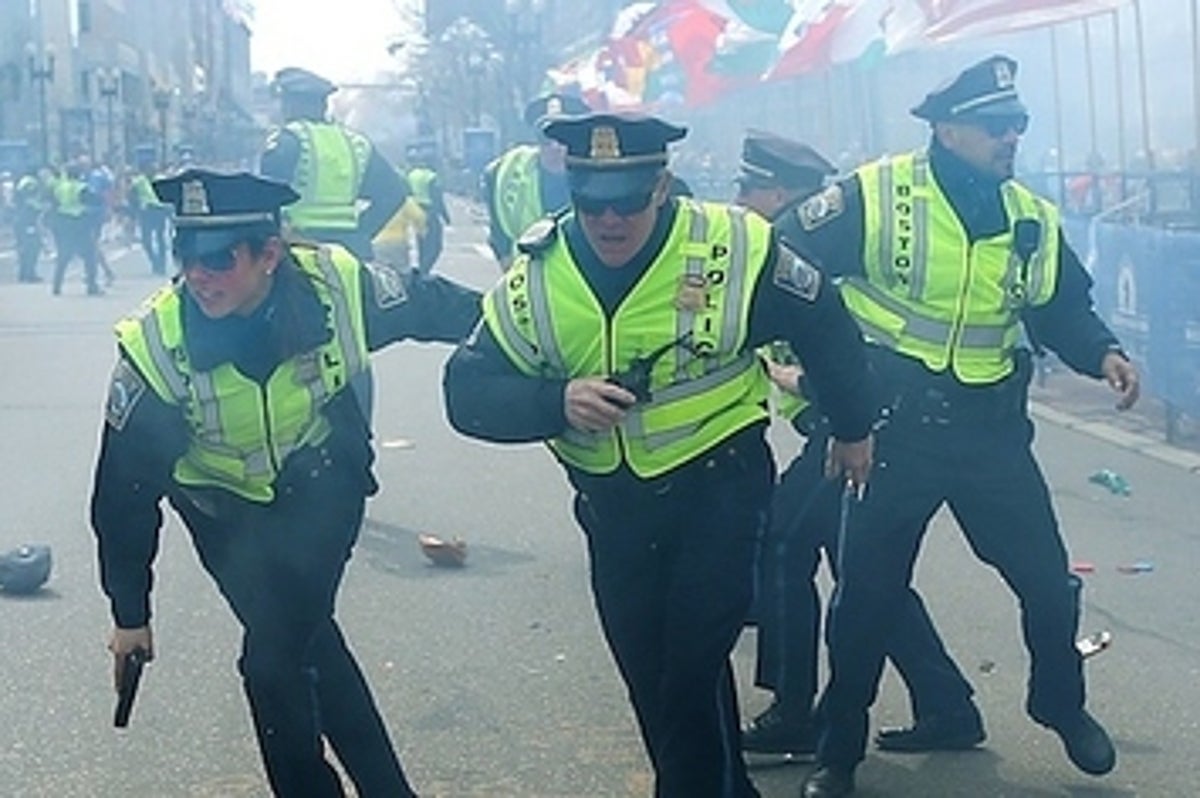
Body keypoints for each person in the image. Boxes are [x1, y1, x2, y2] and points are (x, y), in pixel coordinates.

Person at [443, 112, 877, 798]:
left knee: (690, 665)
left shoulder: (736, 245)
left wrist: (852, 426)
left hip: (720, 487)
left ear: (663, 186)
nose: (609, 220)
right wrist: (555, 401)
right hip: (614, 510)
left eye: (627, 201)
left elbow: (824, 323)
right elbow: (466, 393)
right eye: (591, 203)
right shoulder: (539, 275)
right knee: (654, 677)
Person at [773, 55, 1140, 798]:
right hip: (894, 434)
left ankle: (1060, 705)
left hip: (989, 436)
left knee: (1047, 584)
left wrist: (1104, 352)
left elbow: (1060, 306)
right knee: (866, 599)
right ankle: (837, 752)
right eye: (996, 125)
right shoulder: (877, 194)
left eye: (1017, 124)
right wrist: (824, 378)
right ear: (947, 130)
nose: (1011, 137)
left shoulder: (1029, 217)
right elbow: (785, 265)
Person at [90, 169, 481, 797]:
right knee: (309, 644)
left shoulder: (338, 286)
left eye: (219, 258)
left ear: (270, 254)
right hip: (220, 513)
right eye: (186, 255)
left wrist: (527, 347)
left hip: (319, 486)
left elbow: (438, 306)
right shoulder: (157, 346)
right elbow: (123, 493)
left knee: (272, 661)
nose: (198, 276)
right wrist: (129, 614)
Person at [732, 131, 984, 759]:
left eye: (750, 189)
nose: (741, 201)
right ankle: (947, 704)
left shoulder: (814, 263)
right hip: (845, 432)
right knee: (866, 575)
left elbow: (854, 362)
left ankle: (793, 709)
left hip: (854, 434)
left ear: (781, 193)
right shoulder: (782, 252)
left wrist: (796, 382)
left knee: (784, 544)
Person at [260, 66, 408, 262]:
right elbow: (394, 192)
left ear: (290, 104)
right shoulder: (356, 143)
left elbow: (265, 199)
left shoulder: (287, 140)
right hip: (351, 251)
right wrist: (362, 232)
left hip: (299, 249)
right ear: (323, 105)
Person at [480, 92, 590, 269]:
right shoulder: (507, 173)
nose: (555, 146)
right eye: (546, 137)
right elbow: (499, 234)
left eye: (564, 138)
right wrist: (509, 268)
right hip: (528, 273)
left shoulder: (595, 176)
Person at [48, 161, 103, 296]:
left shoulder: (60, 187)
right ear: (79, 174)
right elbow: (95, 201)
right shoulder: (82, 187)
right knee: (89, 256)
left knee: (63, 256)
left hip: (63, 222)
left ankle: (56, 286)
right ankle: (91, 286)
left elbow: (53, 202)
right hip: (79, 222)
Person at [406, 140, 451, 277]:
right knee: (435, 246)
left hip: (415, 212)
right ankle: (424, 271)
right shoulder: (431, 176)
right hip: (429, 212)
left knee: (422, 245)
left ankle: (422, 271)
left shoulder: (412, 174)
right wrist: (445, 216)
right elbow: (437, 198)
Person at [129, 164, 172, 275]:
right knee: (146, 240)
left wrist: (169, 212)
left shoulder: (162, 179)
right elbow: (132, 196)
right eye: (149, 169)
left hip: (160, 210)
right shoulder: (138, 181)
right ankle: (155, 261)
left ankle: (162, 265)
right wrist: (135, 211)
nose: (152, 171)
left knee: (160, 238)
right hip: (146, 212)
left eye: (153, 169)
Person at [12, 165, 45, 283]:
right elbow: (30, 201)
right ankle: (29, 273)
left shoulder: (23, 181)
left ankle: (23, 273)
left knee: (24, 247)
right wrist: (42, 207)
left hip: (21, 220)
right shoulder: (31, 183)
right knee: (32, 246)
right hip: (27, 221)